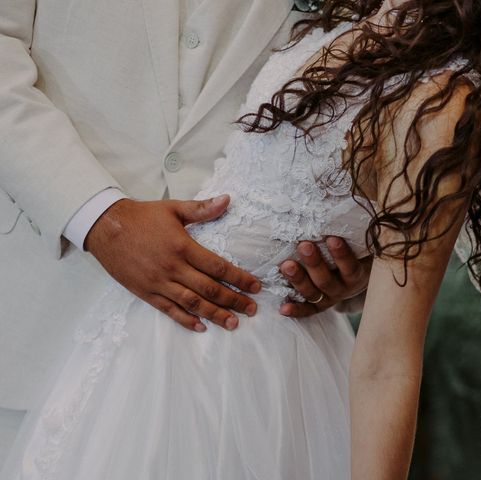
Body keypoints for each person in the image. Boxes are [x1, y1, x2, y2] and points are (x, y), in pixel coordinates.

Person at [1, 1, 481, 480]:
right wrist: (97, 216)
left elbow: (389, 355)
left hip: (241, 356)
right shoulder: (378, 20)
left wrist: (362, 261)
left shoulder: (444, 107)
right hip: (84, 329)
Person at [0, 0, 371, 467]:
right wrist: (94, 214)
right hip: (39, 320)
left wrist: (359, 265)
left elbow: (394, 81)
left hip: (247, 365)